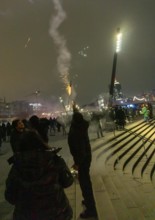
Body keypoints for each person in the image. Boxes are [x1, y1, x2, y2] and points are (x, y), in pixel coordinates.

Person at [5, 130, 73, 220]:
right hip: (56, 213)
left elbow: (10, 197)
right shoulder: (54, 160)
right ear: (40, 141)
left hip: (27, 216)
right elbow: (67, 182)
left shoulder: (17, 166)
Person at [68, 111, 98, 219]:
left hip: (82, 161)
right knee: (86, 182)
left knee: (85, 184)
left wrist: (77, 163)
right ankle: (88, 201)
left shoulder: (76, 130)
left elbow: (79, 149)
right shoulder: (82, 126)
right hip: (86, 158)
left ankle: (91, 210)